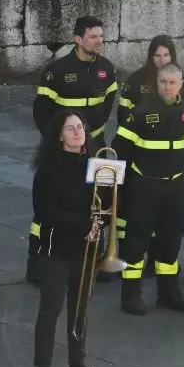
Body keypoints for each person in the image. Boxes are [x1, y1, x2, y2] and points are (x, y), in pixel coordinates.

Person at [30, 16, 120, 281]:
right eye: (94, 37)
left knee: (98, 200)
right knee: (52, 201)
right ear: (78, 39)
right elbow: (41, 111)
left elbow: (108, 104)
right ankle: (37, 258)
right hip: (62, 148)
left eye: (101, 37)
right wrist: (57, 141)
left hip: (95, 144)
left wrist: (90, 138)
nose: (99, 42)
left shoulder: (107, 69)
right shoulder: (57, 71)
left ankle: (97, 258)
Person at [116, 64, 184, 314]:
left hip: (174, 185)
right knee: (136, 241)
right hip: (145, 186)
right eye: (163, 82)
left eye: (172, 83)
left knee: (171, 240)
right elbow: (121, 146)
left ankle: (168, 292)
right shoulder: (141, 111)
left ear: (181, 84)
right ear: (157, 82)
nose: (167, 87)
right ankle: (130, 295)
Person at [30, 113, 104, 367]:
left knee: (81, 308)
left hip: (87, 249)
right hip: (56, 248)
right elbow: (46, 212)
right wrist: (85, 224)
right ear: (59, 135)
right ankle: (43, 366)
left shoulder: (96, 165)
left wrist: (99, 223)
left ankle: (78, 362)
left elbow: (107, 201)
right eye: (70, 128)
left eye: (80, 127)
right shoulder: (49, 170)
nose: (77, 132)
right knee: (51, 308)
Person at [118, 35, 184, 127]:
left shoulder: (181, 80)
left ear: (172, 56)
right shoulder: (136, 80)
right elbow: (123, 113)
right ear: (151, 57)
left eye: (166, 55)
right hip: (141, 133)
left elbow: (183, 110)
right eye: (157, 55)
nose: (162, 60)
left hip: (170, 134)